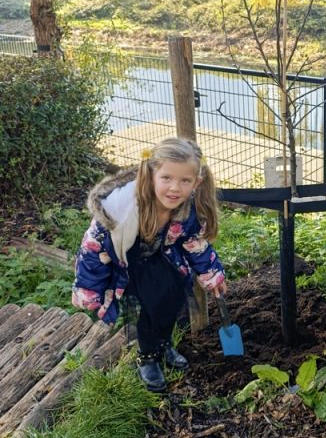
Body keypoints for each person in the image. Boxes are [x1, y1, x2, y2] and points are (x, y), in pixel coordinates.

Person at [72, 138, 226, 392]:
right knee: (147, 310)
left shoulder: (189, 208)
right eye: (166, 178)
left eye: (185, 181)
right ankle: (147, 357)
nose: (175, 188)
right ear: (151, 173)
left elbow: (195, 243)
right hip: (129, 262)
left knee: (172, 300)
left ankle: (164, 343)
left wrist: (212, 276)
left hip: (163, 258)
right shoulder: (118, 209)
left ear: (196, 182)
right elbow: (93, 249)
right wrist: (88, 289)